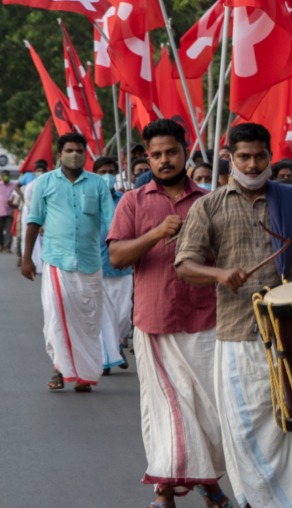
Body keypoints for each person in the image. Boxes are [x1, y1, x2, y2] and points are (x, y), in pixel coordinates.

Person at [175, 122, 292, 508]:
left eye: (259, 156)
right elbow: (185, 264)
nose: (252, 165)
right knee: (246, 426)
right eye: (244, 157)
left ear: (270, 156)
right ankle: (265, 501)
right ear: (230, 159)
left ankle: (285, 499)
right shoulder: (209, 205)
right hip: (240, 333)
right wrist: (218, 273)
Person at [107, 119, 232, 508]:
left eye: (171, 152)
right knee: (165, 412)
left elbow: (227, 257)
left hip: (206, 319)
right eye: (156, 155)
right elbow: (116, 256)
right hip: (155, 320)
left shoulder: (209, 200)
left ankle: (208, 483)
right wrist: (156, 234)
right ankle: (165, 491)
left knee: (212, 414)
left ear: (185, 151)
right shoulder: (133, 201)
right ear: (148, 157)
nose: (164, 160)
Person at [22, 132, 114, 392]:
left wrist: (121, 250)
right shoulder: (45, 183)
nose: (75, 154)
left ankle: (84, 374)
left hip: (90, 262)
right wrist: (27, 258)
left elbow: (112, 221)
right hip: (56, 261)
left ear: (85, 155)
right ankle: (59, 369)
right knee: (56, 319)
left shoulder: (98, 184)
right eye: (69, 150)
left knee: (88, 320)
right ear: (60, 154)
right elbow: (34, 220)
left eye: (79, 151)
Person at [92, 157, 132, 374]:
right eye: (102, 171)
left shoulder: (126, 199)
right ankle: (106, 357)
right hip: (95, 267)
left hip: (123, 267)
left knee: (124, 316)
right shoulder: (87, 200)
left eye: (110, 171)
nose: (106, 175)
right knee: (100, 316)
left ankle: (115, 346)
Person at [19, 160, 48, 270]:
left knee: (42, 239)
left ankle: (42, 263)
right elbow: (27, 200)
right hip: (31, 213)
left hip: (44, 215)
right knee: (32, 238)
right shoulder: (31, 185)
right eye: (38, 171)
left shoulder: (47, 183)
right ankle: (31, 260)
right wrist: (37, 210)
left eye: (42, 171)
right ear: (34, 172)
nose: (40, 173)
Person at [0, 170, 17, 252]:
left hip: (10, 212)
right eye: (4, 175)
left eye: (7, 175)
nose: (6, 177)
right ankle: (1, 245)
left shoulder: (13, 186)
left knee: (9, 231)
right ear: (1, 177)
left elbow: (15, 197)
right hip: (0, 211)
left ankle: (7, 247)